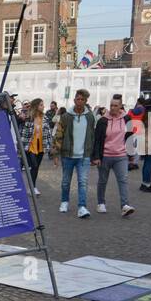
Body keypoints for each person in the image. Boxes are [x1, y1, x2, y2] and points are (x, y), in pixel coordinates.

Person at [52, 88, 96, 218]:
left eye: (82, 99)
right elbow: (59, 135)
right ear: (74, 99)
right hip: (68, 155)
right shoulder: (66, 117)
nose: (80, 101)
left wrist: (92, 154)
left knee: (83, 182)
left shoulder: (90, 117)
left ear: (86, 101)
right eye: (78, 99)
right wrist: (55, 154)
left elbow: (92, 136)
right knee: (66, 181)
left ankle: (82, 207)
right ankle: (64, 201)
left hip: (84, 156)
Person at [92, 97, 136, 217]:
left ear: (120, 106)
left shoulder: (127, 119)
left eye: (115, 105)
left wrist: (131, 154)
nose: (112, 108)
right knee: (102, 181)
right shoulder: (102, 120)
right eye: (111, 105)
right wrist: (96, 157)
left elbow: (130, 137)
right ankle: (101, 203)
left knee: (123, 180)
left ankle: (125, 205)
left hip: (121, 155)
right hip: (105, 155)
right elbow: (97, 140)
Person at [18, 99, 52, 196]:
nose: (43, 106)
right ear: (36, 106)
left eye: (43, 105)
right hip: (30, 145)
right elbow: (22, 131)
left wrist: (50, 145)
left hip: (41, 145)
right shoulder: (28, 117)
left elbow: (48, 133)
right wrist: (22, 147)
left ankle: (33, 187)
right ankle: (32, 188)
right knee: (34, 165)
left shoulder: (45, 118)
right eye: (41, 105)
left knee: (36, 168)